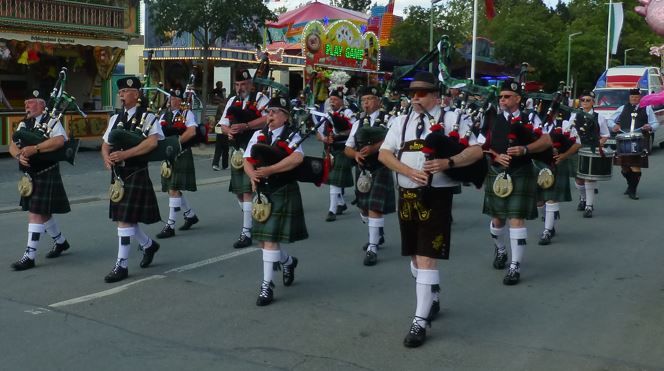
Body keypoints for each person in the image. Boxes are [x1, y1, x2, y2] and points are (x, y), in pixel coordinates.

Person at [379, 72, 483, 348]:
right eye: (413, 93)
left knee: (426, 257)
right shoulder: (400, 121)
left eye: (422, 93)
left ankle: (419, 321)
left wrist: (449, 162)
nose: (415, 97)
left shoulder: (454, 119)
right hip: (407, 194)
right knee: (415, 256)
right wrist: (409, 171)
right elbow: (384, 154)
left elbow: (476, 151)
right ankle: (432, 296)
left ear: (436, 96)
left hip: (437, 196)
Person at [479, 79, 551, 286]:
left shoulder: (530, 117)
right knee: (497, 220)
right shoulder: (491, 118)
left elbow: (546, 140)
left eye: (507, 96)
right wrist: (496, 155)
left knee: (516, 218)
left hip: (522, 170)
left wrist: (525, 149)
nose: (502, 100)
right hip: (497, 170)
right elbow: (480, 145)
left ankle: (515, 266)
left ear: (518, 98)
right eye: (501, 96)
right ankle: (501, 250)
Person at [243, 96, 306, 306]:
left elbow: (296, 159)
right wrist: (253, 175)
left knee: (269, 239)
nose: (270, 115)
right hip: (262, 190)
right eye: (269, 111)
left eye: (275, 112)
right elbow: (246, 160)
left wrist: (270, 170)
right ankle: (288, 262)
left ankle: (266, 285)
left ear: (286, 116)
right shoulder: (259, 134)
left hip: (282, 188)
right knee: (263, 240)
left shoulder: (293, 135)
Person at [101, 76, 162, 283]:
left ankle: (122, 265)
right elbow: (106, 143)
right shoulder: (114, 119)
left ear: (136, 94)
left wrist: (126, 155)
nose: (121, 95)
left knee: (125, 219)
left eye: (125, 92)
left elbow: (152, 143)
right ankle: (148, 245)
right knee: (124, 218)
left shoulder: (149, 117)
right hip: (118, 174)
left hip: (136, 171)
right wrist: (106, 159)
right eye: (119, 93)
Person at [8, 90, 72, 270]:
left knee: (35, 212)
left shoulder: (51, 121)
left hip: (46, 171)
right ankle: (61, 242)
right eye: (26, 102)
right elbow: (13, 144)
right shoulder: (23, 123)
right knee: (43, 212)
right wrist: (18, 156)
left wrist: (35, 148)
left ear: (42, 105)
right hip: (29, 174)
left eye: (31, 102)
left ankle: (29, 255)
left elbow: (60, 141)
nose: (27, 105)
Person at [217, 69, 269, 248]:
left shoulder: (261, 98)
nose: (241, 88)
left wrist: (246, 126)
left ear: (251, 85)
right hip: (237, 150)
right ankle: (254, 216)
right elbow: (223, 124)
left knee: (247, 190)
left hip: (254, 149)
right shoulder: (233, 100)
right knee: (239, 192)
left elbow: (268, 119)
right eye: (238, 85)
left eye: (244, 84)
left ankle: (246, 232)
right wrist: (229, 130)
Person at [344, 85, 395, 266]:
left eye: (370, 99)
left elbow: (394, 141)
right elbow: (348, 148)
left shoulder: (389, 119)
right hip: (363, 169)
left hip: (380, 167)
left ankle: (372, 247)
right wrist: (356, 155)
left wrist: (374, 148)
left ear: (378, 101)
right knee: (364, 208)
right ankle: (377, 232)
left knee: (375, 207)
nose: (366, 103)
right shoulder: (358, 122)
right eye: (363, 100)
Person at [155, 87, 200, 239]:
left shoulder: (187, 114)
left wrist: (177, 143)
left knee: (173, 188)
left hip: (181, 153)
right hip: (167, 156)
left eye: (175, 99)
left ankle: (170, 225)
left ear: (181, 101)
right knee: (171, 189)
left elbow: (192, 131)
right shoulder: (163, 116)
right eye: (171, 98)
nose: (172, 101)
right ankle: (190, 215)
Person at [536, 109, 581, 245]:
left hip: (557, 163)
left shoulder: (566, 124)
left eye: (553, 110)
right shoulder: (537, 123)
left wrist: (564, 155)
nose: (549, 113)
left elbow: (577, 143)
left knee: (552, 197)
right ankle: (549, 222)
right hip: (538, 163)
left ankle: (547, 231)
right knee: (539, 201)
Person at [610, 88, 659, 200]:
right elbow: (610, 120)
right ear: (629, 98)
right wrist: (614, 126)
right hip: (624, 140)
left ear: (640, 98)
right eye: (632, 97)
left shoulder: (647, 109)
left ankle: (633, 190)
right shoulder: (622, 108)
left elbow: (655, 123)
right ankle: (630, 184)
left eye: (636, 97)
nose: (634, 99)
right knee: (624, 168)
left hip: (639, 140)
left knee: (636, 166)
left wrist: (650, 126)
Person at [569, 91, 610, 218]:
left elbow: (605, 135)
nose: (585, 102)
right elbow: (568, 131)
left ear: (593, 102)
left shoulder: (600, 117)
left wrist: (599, 143)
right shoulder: (574, 115)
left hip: (592, 150)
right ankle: (583, 198)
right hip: (576, 148)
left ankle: (589, 206)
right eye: (583, 100)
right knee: (578, 179)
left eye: (588, 100)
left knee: (589, 177)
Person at [317, 87, 355, 221]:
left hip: (342, 148)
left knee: (334, 180)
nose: (332, 101)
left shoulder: (348, 112)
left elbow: (353, 130)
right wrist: (324, 138)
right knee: (332, 178)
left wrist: (337, 135)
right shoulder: (326, 114)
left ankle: (332, 210)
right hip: (329, 149)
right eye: (331, 99)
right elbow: (319, 132)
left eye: (335, 99)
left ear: (341, 101)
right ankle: (341, 203)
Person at [212, 100, 229, 171]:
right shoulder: (223, 115)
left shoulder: (217, 116)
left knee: (219, 149)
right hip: (223, 130)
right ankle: (224, 165)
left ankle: (215, 164)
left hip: (219, 130)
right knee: (225, 149)